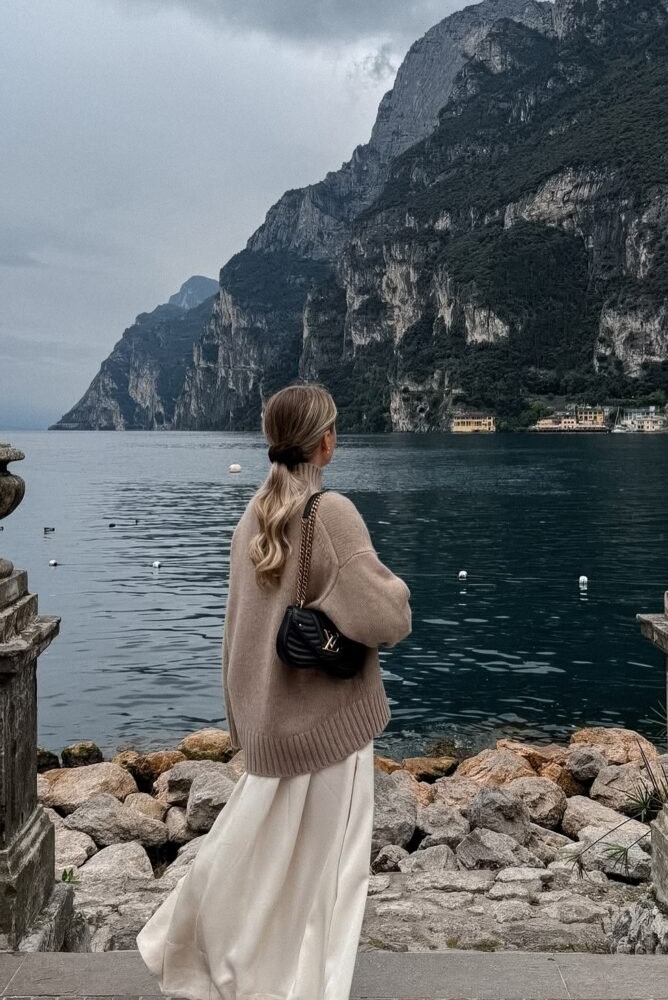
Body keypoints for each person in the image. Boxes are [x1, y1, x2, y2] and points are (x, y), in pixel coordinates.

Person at [137, 382, 412, 1000]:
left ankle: (198, 953)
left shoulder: (253, 515)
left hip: (268, 724)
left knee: (256, 862)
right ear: (325, 442)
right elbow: (389, 618)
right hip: (327, 729)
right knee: (329, 876)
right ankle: (311, 986)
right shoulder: (330, 514)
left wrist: (241, 720)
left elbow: (234, 630)